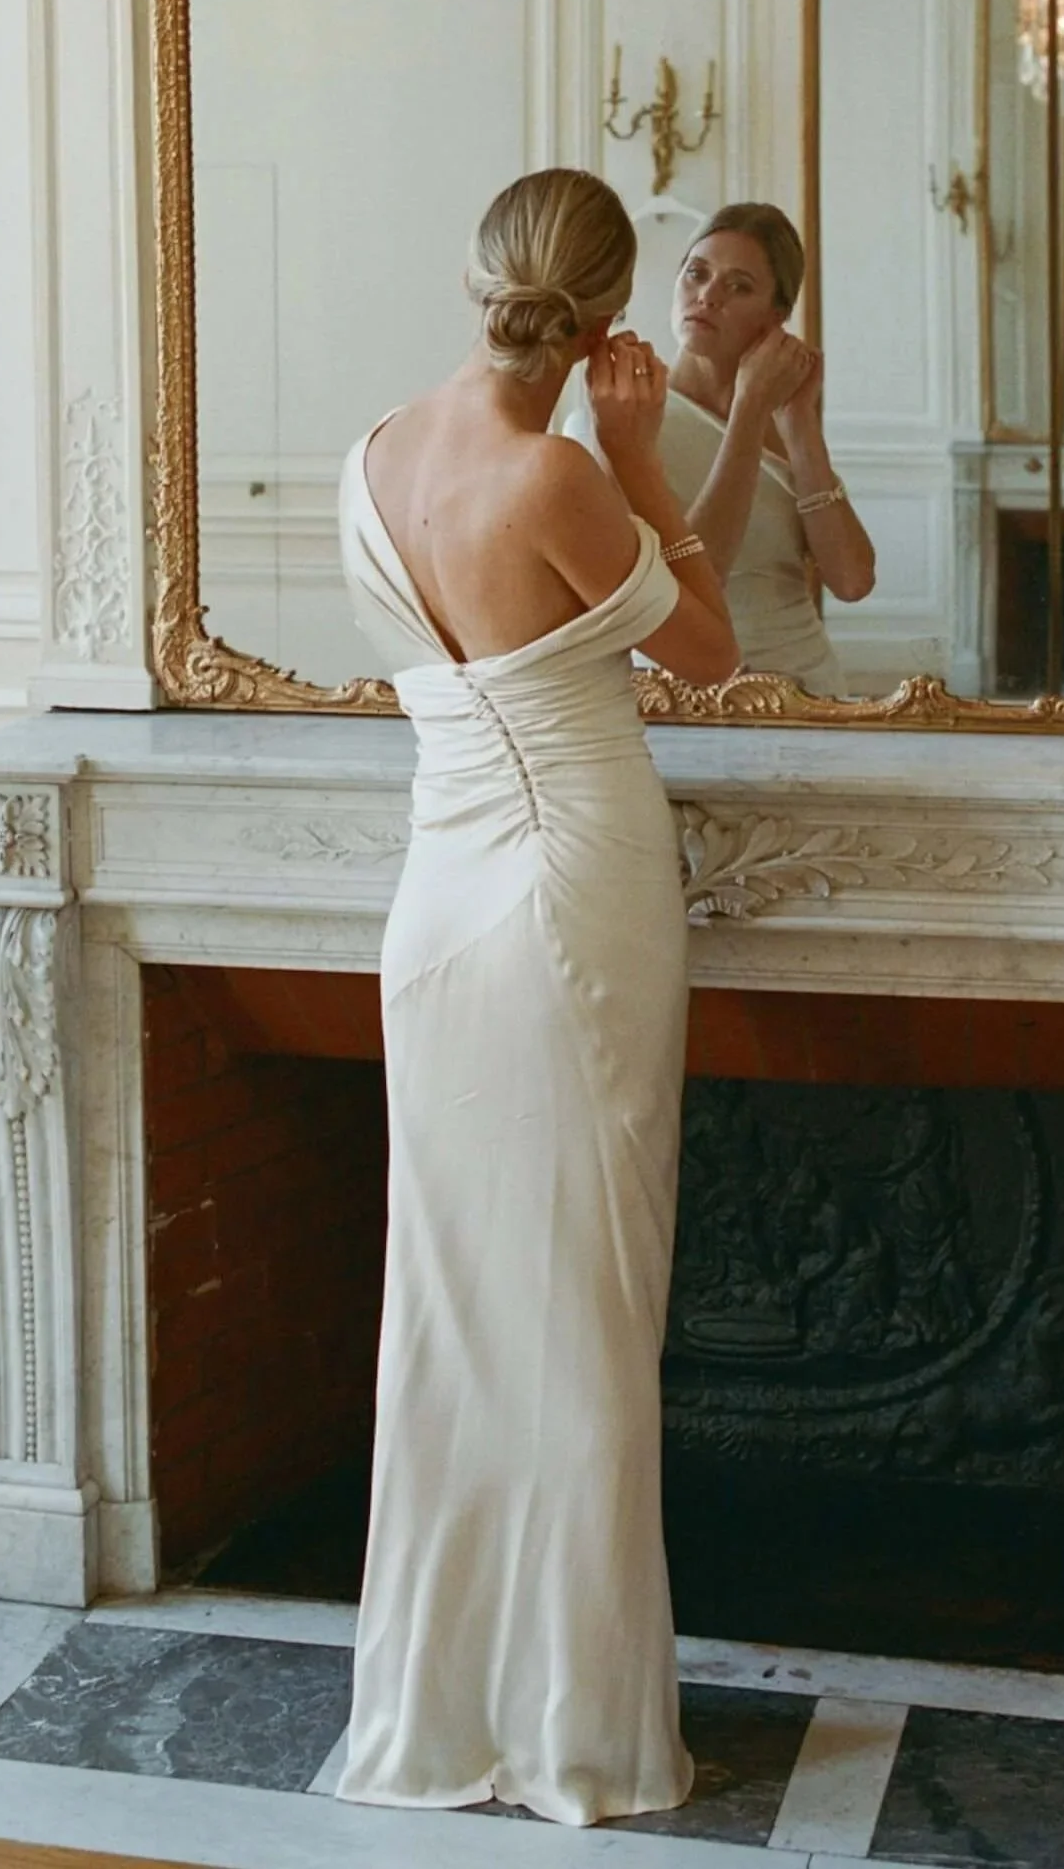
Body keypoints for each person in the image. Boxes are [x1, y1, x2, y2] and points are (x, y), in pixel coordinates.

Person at [332, 168, 737, 1828]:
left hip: (437, 900)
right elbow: (705, 649)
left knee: (454, 1305)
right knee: (580, 1301)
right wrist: (637, 452)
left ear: (476, 275)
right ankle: (572, 1729)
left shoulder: (374, 452)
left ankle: (439, 1713)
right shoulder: (558, 472)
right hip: (572, 882)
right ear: (606, 312)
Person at [575, 202, 874, 694]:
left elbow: (852, 580)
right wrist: (748, 414)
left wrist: (799, 423)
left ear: (777, 316)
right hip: (677, 698)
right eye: (696, 273)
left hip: (806, 694)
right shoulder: (620, 414)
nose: (708, 296)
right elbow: (686, 589)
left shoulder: (786, 421)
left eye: (739, 286)